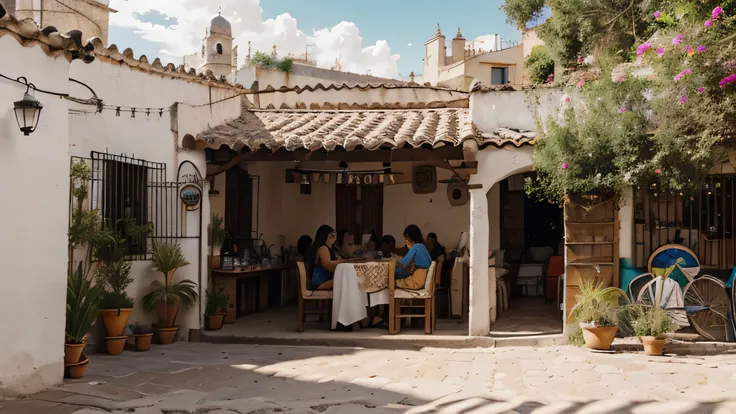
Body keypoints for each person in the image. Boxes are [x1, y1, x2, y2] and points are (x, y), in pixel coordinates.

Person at [305, 225, 350, 290]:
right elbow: (327, 264)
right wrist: (345, 261)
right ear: (329, 236)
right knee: (347, 281)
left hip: (320, 281)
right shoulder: (323, 248)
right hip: (321, 282)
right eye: (334, 234)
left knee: (346, 279)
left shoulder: (323, 247)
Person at [395, 224, 432, 290]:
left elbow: (403, 264)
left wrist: (395, 265)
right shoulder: (422, 246)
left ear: (409, 238)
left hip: (417, 280)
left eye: (406, 238)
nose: (405, 241)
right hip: (423, 278)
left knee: (393, 282)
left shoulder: (416, 247)